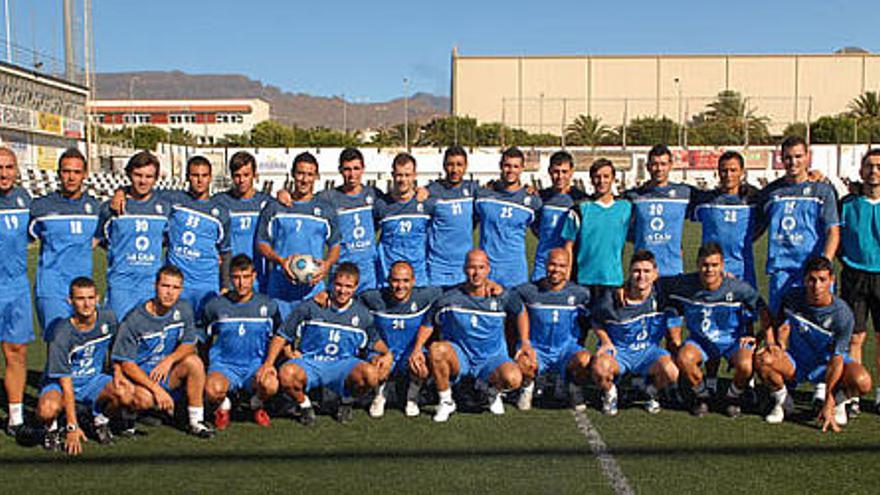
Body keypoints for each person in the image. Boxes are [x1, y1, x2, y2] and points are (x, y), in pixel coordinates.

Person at [260, 262, 392, 425]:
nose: (342, 291)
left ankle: (346, 401)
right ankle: (305, 406)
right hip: (311, 362)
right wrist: (268, 363)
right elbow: (282, 335)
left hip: (343, 365)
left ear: (356, 287)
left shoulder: (362, 315)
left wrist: (388, 354)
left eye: (348, 286)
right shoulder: (311, 306)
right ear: (331, 283)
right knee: (287, 373)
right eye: (338, 285)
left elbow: (375, 341)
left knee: (371, 375)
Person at [410, 249, 531, 422]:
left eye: (481, 267)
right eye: (472, 268)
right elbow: (428, 322)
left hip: (492, 357)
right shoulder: (450, 298)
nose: (476, 273)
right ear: (464, 269)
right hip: (461, 357)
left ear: (488, 269)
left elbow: (520, 311)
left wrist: (524, 342)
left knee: (513, 379)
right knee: (436, 350)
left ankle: (491, 390)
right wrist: (416, 349)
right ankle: (446, 401)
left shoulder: (501, 296)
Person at [755, 256, 872, 431]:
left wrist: (829, 402)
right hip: (798, 362)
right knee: (763, 359)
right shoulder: (792, 298)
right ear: (804, 279)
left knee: (863, 382)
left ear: (831, 280)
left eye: (822, 280)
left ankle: (839, 402)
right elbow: (774, 323)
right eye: (812, 280)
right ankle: (783, 401)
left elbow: (837, 360)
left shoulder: (842, 315)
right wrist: (767, 340)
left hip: (827, 366)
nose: (817, 286)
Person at [662, 243, 770, 418]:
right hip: (700, 341)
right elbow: (657, 285)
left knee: (746, 365)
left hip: (732, 342)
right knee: (683, 358)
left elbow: (762, 308)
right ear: (697, 264)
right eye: (705, 265)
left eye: (714, 265)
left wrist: (760, 337)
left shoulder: (737, 288)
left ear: (722, 266)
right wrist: (627, 287)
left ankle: (732, 397)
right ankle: (702, 395)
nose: (709, 270)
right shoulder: (684, 284)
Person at [111, 265, 215, 438]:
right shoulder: (135, 318)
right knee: (145, 400)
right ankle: (128, 415)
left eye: (175, 288)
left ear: (181, 289)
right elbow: (126, 364)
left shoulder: (183, 309)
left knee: (194, 362)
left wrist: (170, 360)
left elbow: (189, 344)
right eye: (165, 286)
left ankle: (196, 421)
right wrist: (156, 390)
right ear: (155, 286)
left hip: (165, 371)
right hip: (141, 377)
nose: (170, 293)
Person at [37, 277, 134, 454]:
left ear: (97, 298)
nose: (86, 304)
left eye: (90, 298)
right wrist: (72, 428)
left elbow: (117, 348)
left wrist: (117, 372)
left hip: (93, 381)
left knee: (126, 393)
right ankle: (52, 429)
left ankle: (100, 421)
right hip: (61, 384)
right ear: (70, 301)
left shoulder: (108, 318)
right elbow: (66, 384)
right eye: (80, 299)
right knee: (47, 410)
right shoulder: (61, 334)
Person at [755, 136, 839, 313]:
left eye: (798, 156)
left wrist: (825, 263)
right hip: (782, 270)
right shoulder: (771, 193)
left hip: (813, 272)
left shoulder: (822, 191)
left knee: (818, 327)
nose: (793, 162)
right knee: (780, 326)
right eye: (788, 157)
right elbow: (756, 227)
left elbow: (833, 231)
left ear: (808, 157)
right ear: (781, 159)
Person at [590, 250, 680, 415]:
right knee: (599, 367)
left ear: (655, 274)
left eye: (647, 271)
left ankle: (650, 392)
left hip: (648, 352)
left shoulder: (663, 295)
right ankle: (610, 393)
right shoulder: (613, 299)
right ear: (629, 273)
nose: (641, 276)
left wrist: (724, 278)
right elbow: (595, 320)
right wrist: (605, 340)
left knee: (672, 370)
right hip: (620, 352)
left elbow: (694, 285)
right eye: (636, 271)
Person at [256, 152, 340, 319]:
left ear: (316, 177)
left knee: (311, 340)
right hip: (280, 287)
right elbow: (262, 243)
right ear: (292, 174)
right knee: (280, 339)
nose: (304, 179)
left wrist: (327, 264)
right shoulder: (275, 208)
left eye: (309, 174)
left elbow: (335, 245)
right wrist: (280, 261)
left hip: (312, 288)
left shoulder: (325, 210)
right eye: (301, 173)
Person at [29, 147, 100, 340]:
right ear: (59, 173)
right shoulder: (40, 207)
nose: (71, 177)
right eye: (66, 171)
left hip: (84, 289)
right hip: (52, 288)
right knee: (57, 342)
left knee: (84, 343)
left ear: (84, 174)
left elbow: (99, 237)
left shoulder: (95, 208)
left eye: (76, 172)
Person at [202, 254, 281, 429]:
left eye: (246, 277)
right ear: (230, 278)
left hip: (255, 365)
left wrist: (269, 364)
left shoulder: (268, 305)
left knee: (271, 385)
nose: (241, 283)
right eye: (236, 277)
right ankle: (224, 406)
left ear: (254, 276)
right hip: (224, 366)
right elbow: (203, 336)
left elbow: (279, 336)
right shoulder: (215, 306)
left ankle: (256, 404)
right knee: (211, 390)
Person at [360, 261, 441, 418]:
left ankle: (412, 397)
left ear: (413, 281)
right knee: (376, 364)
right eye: (396, 280)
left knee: (421, 365)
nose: (400, 286)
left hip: (409, 353)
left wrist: (487, 285)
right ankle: (379, 395)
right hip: (384, 352)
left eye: (405, 281)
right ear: (388, 280)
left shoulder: (425, 296)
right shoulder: (373, 298)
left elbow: (454, 291)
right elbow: (348, 299)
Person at [514, 248, 592, 411]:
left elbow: (594, 318)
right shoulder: (529, 291)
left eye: (561, 266)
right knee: (522, 361)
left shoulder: (580, 294)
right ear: (545, 265)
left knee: (585, 360)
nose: (556, 269)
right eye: (552, 264)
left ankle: (573, 386)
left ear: (568, 267)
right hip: (538, 349)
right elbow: (507, 301)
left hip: (565, 349)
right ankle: (528, 386)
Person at [97, 151, 170, 319]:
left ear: (156, 178)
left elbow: (166, 240)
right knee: (119, 337)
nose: (143, 181)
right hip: (121, 285)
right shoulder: (112, 208)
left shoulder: (164, 207)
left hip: (151, 285)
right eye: (138, 175)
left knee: (149, 336)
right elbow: (99, 240)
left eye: (149, 176)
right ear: (129, 174)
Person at [165, 156, 232, 318]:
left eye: (204, 175)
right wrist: (121, 192)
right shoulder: (174, 201)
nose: (200, 180)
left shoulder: (220, 212)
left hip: (206, 283)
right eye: (195, 175)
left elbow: (225, 251)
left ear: (210, 177)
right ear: (187, 177)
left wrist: (225, 285)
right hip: (178, 284)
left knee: (204, 335)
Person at [839, 148, 880, 414]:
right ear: (861, 170)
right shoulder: (848, 203)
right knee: (856, 336)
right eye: (869, 166)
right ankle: (853, 392)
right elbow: (836, 236)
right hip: (854, 275)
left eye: (878, 166)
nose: (874, 171)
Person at [562, 158, 632, 300]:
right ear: (591, 180)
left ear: (613, 179)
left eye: (606, 176)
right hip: (582, 281)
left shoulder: (626, 207)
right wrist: (566, 281)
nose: (602, 181)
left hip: (612, 280)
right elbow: (568, 247)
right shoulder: (580, 209)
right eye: (597, 177)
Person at [689, 151, 759, 287]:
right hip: (712, 270)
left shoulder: (753, 202)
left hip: (743, 271)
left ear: (742, 172)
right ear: (718, 172)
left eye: (733, 170)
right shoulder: (704, 202)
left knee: (747, 307)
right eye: (724, 171)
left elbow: (764, 221)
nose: (728, 175)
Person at [0, 147, 33, 435]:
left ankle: (15, 417)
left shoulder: (25, 201)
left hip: (16, 289)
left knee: (16, 352)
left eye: (9, 167)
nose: (3, 173)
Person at [474, 147, 542, 287]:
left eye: (516, 166)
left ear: (522, 168)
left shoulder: (532, 202)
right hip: (487, 272)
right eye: (507, 165)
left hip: (515, 273)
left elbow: (541, 233)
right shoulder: (483, 196)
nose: (511, 170)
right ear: (501, 166)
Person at [319, 148, 382, 293]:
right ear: (340, 170)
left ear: (363, 169)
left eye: (356, 168)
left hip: (368, 275)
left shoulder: (374, 194)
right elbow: (305, 201)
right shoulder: (328, 198)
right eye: (347, 169)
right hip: (341, 274)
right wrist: (284, 194)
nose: (352, 174)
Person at [624, 144, 691, 277]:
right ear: (648, 166)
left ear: (671, 165)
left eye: (663, 164)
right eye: (654, 164)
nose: (659, 169)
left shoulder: (684, 193)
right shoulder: (634, 196)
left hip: (673, 270)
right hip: (643, 272)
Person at [213, 151, 273, 293]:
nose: (241, 180)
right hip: (229, 278)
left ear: (255, 175)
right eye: (237, 176)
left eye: (246, 175)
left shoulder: (267, 203)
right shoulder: (219, 202)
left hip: (259, 277)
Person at [374, 153, 434, 287]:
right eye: (399, 175)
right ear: (393, 175)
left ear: (414, 175)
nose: (403, 180)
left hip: (418, 279)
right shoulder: (381, 205)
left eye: (407, 175)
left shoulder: (426, 205)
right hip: (388, 280)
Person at [426, 146, 480, 287]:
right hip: (437, 267)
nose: (455, 170)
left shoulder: (474, 190)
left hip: (464, 267)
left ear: (466, 166)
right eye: (450, 164)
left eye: (459, 165)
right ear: (444, 165)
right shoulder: (432, 191)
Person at [531, 151, 587, 281]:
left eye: (564, 172)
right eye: (556, 171)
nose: (560, 176)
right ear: (549, 171)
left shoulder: (581, 199)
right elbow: (536, 228)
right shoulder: (541, 197)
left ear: (572, 172)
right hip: (543, 264)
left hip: (570, 266)